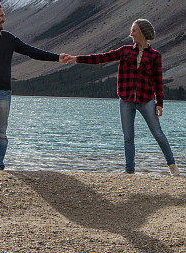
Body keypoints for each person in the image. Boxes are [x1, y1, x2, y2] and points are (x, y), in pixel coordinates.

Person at [0, 1, 73, 169]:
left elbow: (31, 51)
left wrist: (57, 57)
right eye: (1, 16)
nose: (4, 19)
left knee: (1, 133)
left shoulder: (8, 39)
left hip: (4, 92)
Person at [70, 19, 178, 175]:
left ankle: (172, 166)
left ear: (142, 32)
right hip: (126, 100)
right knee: (128, 137)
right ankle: (129, 171)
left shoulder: (155, 55)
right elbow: (102, 58)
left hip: (146, 100)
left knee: (158, 134)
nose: (131, 33)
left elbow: (158, 81)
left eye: (134, 30)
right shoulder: (125, 50)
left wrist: (159, 103)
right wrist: (76, 59)